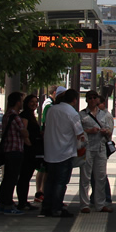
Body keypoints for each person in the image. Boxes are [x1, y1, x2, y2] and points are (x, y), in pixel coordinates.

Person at [40, 88, 84, 218]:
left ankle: (46, 207)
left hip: (50, 151)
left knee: (49, 181)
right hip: (65, 152)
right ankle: (57, 208)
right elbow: (79, 133)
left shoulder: (52, 110)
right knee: (61, 182)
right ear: (75, 100)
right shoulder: (72, 113)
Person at [78, 90, 112, 213]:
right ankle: (84, 204)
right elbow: (78, 132)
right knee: (85, 177)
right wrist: (89, 131)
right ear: (86, 100)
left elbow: (109, 131)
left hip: (101, 148)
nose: (92, 100)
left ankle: (100, 203)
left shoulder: (104, 115)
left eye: (94, 98)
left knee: (101, 177)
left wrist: (106, 132)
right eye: (90, 98)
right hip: (87, 148)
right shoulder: (81, 115)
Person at [0, 92, 28, 215]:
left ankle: (2, 203)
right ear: (17, 102)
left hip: (7, 150)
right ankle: (8, 204)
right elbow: (24, 132)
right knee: (12, 178)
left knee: (7, 178)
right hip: (15, 150)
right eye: (21, 101)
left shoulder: (6, 115)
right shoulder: (15, 117)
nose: (22, 104)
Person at [35, 86, 64, 203]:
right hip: (47, 140)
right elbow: (46, 121)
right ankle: (40, 192)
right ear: (55, 93)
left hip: (48, 138)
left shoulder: (50, 105)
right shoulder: (49, 105)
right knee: (43, 168)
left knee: (45, 168)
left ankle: (42, 192)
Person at [16, 94, 43, 211]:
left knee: (26, 177)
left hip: (30, 150)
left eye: (36, 102)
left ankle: (23, 201)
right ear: (26, 103)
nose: (34, 104)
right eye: (32, 102)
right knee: (24, 177)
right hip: (27, 151)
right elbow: (24, 132)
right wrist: (29, 145)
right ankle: (22, 202)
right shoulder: (25, 115)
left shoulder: (31, 115)